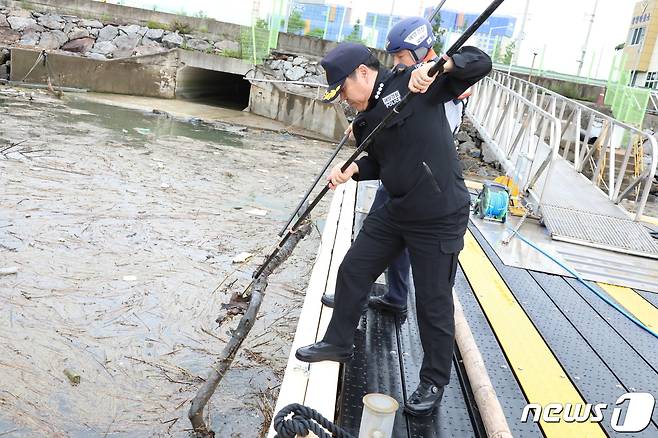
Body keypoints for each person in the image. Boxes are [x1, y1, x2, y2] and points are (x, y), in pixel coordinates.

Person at [295, 40, 491, 416]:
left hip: (439, 215)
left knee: (433, 301)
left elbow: (480, 61)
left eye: (343, 90)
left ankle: (433, 380)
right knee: (354, 268)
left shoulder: (415, 81)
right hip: (398, 208)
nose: (344, 100)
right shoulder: (365, 119)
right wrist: (354, 169)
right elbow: (382, 163)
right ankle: (338, 342)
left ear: (363, 74)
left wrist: (441, 68)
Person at [321, 17, 468, 313]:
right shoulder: (406, 76)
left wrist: (435, 71)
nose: (397, 63)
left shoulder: (433, 75)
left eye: (401, 56)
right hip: (401, 171)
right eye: (395, 58)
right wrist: (368, 119)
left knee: (382, 239)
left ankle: (361, 296)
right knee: (385, 237)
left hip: (428, 180)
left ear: (420, 50)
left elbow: (469, 71)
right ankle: (390, 296)